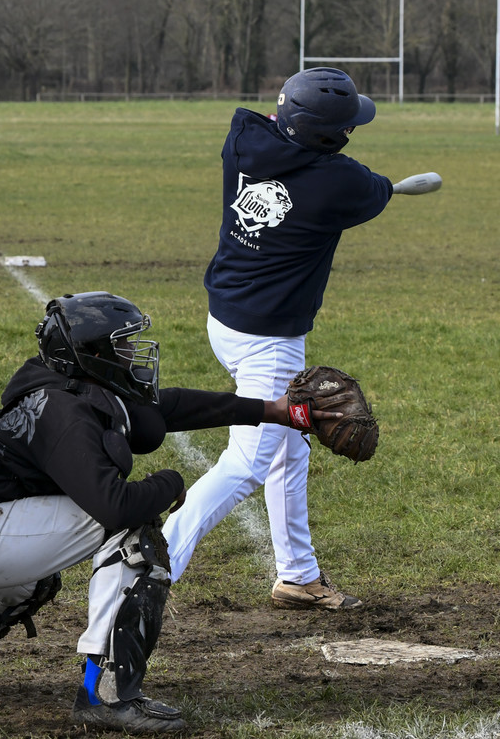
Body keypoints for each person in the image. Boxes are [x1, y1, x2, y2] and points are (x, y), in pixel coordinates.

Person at [0, 292, 323, 735]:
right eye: (122, 346)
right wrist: (170, 483)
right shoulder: (63, 411)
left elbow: (172, 405)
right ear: (91, 353)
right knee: (130, 531)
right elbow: (114, 505)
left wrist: (277, 410)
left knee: (30, 580)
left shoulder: (71, 387)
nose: (134, 355)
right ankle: (106, 695)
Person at [163, 67, 397, 612]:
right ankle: (152, 567)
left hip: (225, 319)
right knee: (245, 466)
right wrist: (384, 183)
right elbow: (376, 189)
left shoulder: (244, 138)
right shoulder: (338, 184)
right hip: (269, 340)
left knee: (289, 449)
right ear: (328, 137)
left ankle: (297, 573)